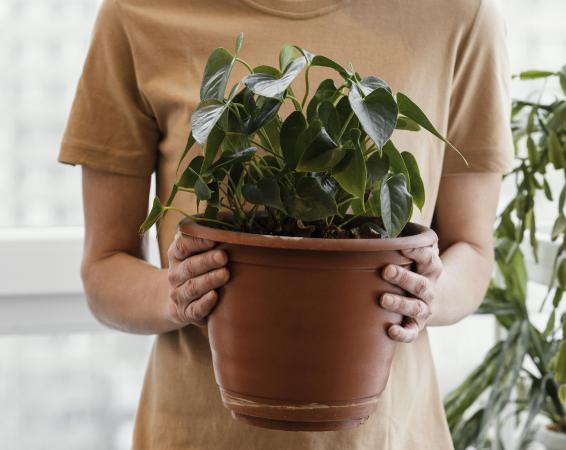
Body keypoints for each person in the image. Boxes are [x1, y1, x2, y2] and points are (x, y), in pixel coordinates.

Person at [59, 0, 513, 448]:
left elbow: (472, 250)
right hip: (200, 434)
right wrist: (176, 294)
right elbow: (104, 264)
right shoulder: (135, 14)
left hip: (388, 436)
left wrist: (427, 293)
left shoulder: (458, 15)